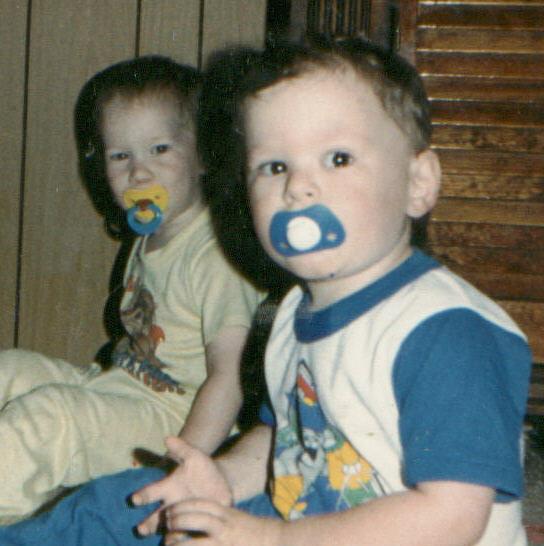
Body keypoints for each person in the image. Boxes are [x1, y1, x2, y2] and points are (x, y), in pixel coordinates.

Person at [0, 37, 532, 546]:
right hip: (304, 515)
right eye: (275, 166)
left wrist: (274, 538)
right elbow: (283, 436)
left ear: (418, 183)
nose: (297, 186)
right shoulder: (295, 311)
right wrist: (222, 478)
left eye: (338, 158)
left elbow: (453, 516)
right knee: (118, 504)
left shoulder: (445, 331)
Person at [0, 55, 262, 524]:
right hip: (122, 384)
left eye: (159, 149)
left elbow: (230, 376)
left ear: (203, 156)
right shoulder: (151, 234)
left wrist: (183, 464)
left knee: (49, 417)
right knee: (11, 369)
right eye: (121, 156)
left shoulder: (216, 255)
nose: (139, 173)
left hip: (172, 419)